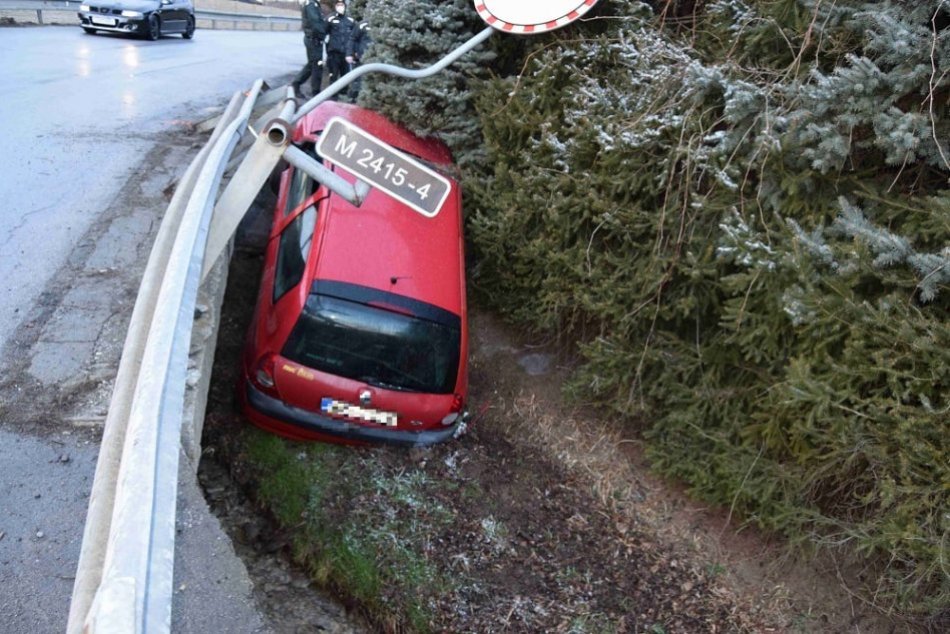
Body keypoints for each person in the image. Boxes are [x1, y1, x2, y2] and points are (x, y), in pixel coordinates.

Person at [291, 0, 327, 98]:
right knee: (316, 65)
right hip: (313, 39)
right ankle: (314, 92)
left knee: (313, 64)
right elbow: (315, 23)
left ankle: (298, 85)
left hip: (313, 39)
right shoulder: (312, 4)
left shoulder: (313, 4)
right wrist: (324, 33)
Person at [325, 0, 356, 90]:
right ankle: (332, 94)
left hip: (345, 53)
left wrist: (352, 51)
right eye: (338, 5)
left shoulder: (350, 20)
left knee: (345, 75)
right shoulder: (330, 19)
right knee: (333, 75)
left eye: (341, 5)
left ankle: (344, 94)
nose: (340, 7)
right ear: (335, 6)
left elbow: (354, 36)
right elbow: (324, 33)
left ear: (345, 6)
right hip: (334, 53)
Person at [345, 17, 372, 99]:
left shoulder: (383, 25)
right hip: (361, 58)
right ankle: (352, 99)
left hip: (375, 60)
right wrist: (349, 54)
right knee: (357, 81)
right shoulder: (362, 24)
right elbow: (352, 39)